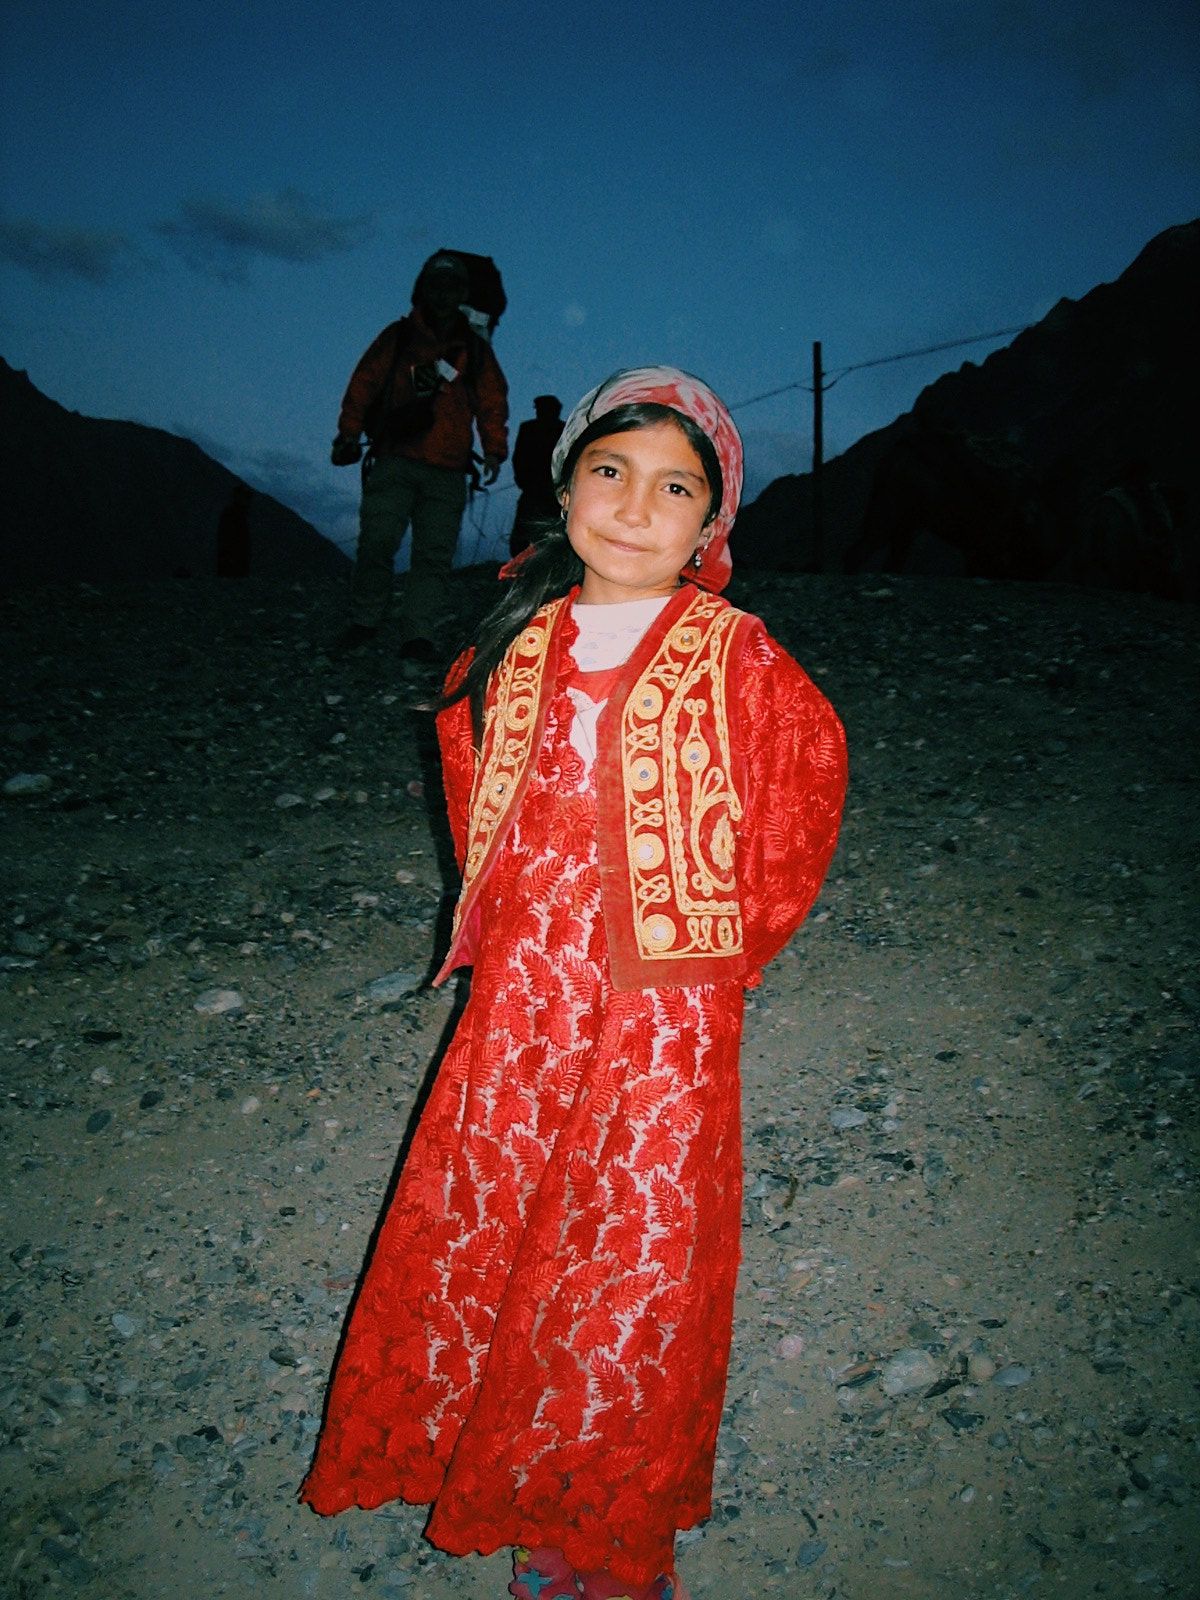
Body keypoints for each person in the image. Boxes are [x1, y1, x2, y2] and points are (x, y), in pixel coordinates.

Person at [300, 367, 848, 1598]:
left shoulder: (737, 654)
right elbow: (467, 762)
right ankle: (480, 1447)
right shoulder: (519, 637)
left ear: (711, 524)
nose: (636, 506)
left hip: (664, 1016)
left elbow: (804, 792)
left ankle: (599, 1511)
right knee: (502, 1211)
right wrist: (501, 920)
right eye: (611, 471)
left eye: (675, 487)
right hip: (526, 1000)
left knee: (633, 1244)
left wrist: (720, 953)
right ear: (563, 485)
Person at [330, 251, 509, 660]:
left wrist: (494, 448)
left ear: (462, 292)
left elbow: (491, 400)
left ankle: (418, 633)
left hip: (447, 470)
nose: (443, 295)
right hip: (395, 458)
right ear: (424, 290)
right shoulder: (397, 338)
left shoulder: (476, 350)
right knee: (377, 542)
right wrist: (348, 433)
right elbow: (365, 383)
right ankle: (366, 618)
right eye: (436, 286)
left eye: (451, 287)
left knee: (433, 555)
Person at [509, 393, 565, 557]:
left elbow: (518, 458)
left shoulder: (530, 428)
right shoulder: (560, 429)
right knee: (532, 532)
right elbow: (519, 458)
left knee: (541, 532)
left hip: (546, 491)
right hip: (541, 490)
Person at [216, 482, 252, 577]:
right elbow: (225, 539)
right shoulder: (231, 513)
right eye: (243, 496)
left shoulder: (242, 515)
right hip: (230, 564)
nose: (246, 500)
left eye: (247, 497)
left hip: (238, 564)